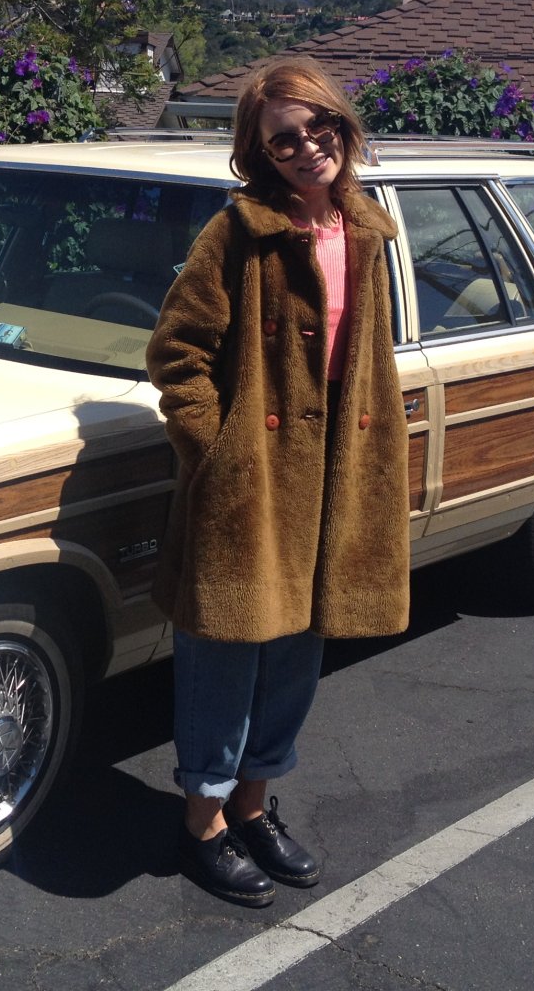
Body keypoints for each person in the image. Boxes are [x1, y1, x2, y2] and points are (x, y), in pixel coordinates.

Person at [145, 57, 410, 907]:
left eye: (315, 127)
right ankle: (202, 825)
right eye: (282, 140)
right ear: (259, 153)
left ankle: (253, 809)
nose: (305, 148)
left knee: (297, 652)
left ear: (340, 124)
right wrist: (217, 451)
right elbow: (177, 354)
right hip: (252, 476)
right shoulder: (237, 233)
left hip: (337, 472)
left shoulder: (364, 230)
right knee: (225, 654)